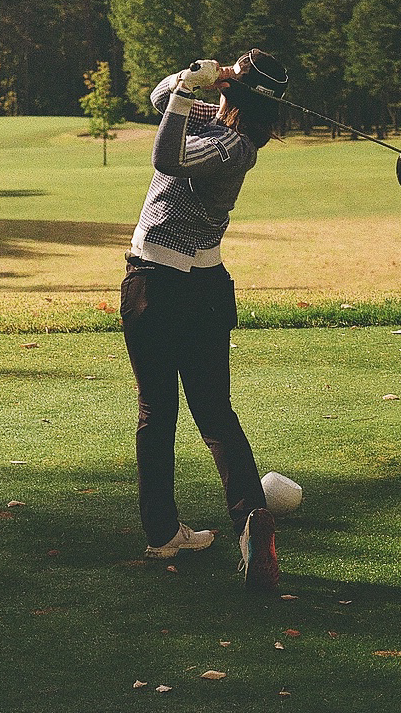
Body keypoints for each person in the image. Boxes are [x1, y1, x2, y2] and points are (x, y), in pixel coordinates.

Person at [121, 47, 288, 591]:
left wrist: (193, 87)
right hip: (203, 290)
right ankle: (244, 522)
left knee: (165, 411)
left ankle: (175, 532)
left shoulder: (235, 148)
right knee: (213, 413)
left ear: (237, 93)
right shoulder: (216, 121)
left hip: (158, 286)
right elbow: (157, 98)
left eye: (236, 67)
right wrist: (188, 78)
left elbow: (165, 156)